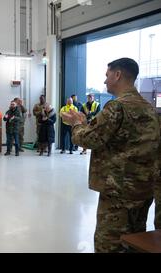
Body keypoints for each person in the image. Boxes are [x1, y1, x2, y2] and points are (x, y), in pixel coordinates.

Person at [62, 57, 160, 253]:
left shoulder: (117, 107)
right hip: (144, 190)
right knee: (135, 241)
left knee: (110, 245)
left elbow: (89, 139)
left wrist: (77, 123)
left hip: (118, 192)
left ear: (118, 75)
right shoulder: (150, 109)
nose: (105, 81)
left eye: (107, 76)